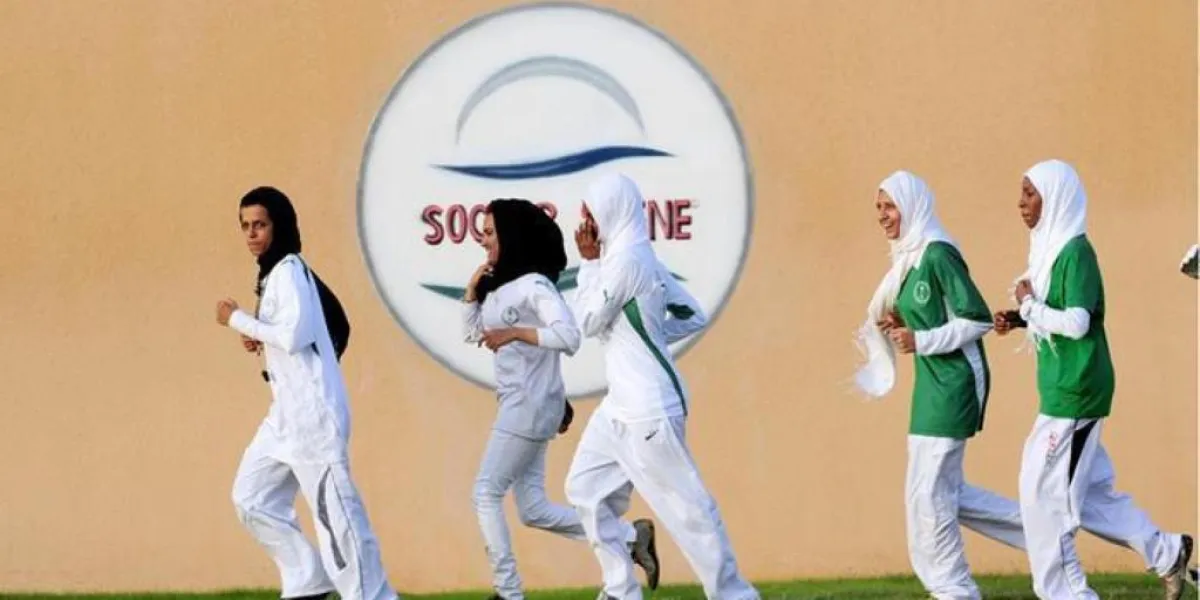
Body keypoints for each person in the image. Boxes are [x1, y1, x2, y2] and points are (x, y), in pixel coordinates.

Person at [993, 159, 1193, 600]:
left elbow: (1077, 322)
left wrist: (1028, 307)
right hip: (1062, 388)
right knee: (1088, 495)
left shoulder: (1076, 253)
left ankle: (1067, 593)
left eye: (1030, 193)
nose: (1021, 204)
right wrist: (1020, 318)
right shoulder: (1052, 250)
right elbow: (1058, 311)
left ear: (1055, 197)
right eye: (1022, 193)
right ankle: (1167, 552)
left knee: (1045, 498)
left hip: (1076, 390)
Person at [564, 173, 758, 600]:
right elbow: (692, 315)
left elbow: (588, 322)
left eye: (589, 211)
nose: (583, 221)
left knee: (689, 510)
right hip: (620, 405)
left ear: (610, 211)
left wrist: (589, 264)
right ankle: (620, 590)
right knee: (585, 489)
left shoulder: (626, 262)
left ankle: (735, 595)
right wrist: (648, 336)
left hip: (649, 410)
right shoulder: (638, 257)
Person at [461, 199, 659, 600]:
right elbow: (471, 334)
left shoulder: (535, 286)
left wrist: (514, 334)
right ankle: (628, 536)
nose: (482, 239)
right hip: (527, 405)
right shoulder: (499, 288)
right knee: (532, 509)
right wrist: (471, 291)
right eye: (482, 232)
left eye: (490, 232)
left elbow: (569, 336)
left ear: (512, 236)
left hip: (528, 407)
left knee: (485, 493)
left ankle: (508, 592)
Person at [216, 186, 398, 600]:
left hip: (313, 418)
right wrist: (259, 336)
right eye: (245, 226)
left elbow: (294, 336)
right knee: (252, 498)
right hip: (284, 417)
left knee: (338, 521)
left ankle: (374, 596)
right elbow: (314, 328)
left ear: (278, 225)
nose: (251, 234)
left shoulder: (290, 270)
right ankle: (307, 581)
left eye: (260, 224)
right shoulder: (274, 273)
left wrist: (237, 319)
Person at [853, 171, 1026, 599]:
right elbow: (933, 312)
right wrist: (902, 321)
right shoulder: (909, 259)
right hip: (930, 388)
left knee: (932, 496)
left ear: (912, 205)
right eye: (878, 207)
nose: (882, 216)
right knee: (936, 493)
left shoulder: (938, 253)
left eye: (889, 206)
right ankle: (1046, 530)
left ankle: (955, 589)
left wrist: (921, 339)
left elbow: (978, 318)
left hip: (955, 384)